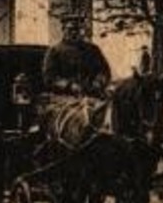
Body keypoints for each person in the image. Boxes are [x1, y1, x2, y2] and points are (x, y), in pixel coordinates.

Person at [40, 21, 112, 152]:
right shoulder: (54, 51)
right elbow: (49, 78)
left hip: (93, 95)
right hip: (64, 97)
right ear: (63, 30)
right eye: (70, 29)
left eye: (78, 30)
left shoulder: (93, 50)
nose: (74, 33)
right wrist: (69, 85)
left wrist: (99, 81)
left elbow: (104, 70)